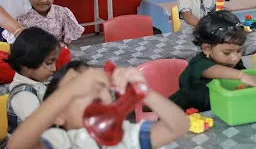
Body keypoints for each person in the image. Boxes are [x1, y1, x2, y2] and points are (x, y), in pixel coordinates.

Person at [7, 61, 190, 149]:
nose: (93, 90)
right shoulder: (61, 142)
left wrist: (144, 92)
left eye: (99, 85)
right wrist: (70, 91)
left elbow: (178, 125)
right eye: (79, 88)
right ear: (59, 115)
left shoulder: (125, 136)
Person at [169, 10, 256, 112]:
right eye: (227, 52)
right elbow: (213, 70)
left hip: (218, 109)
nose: (235, 58)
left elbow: (244, 82)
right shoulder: (198, 63)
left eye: (239, 50)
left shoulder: (234, 62)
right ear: (207, 48)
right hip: (185, 112)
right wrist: (242, 76)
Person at [5, 27, 61, 135]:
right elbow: (41, 129)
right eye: (49, 63)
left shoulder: (37, 81)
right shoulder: (24, 95)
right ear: (26, 65)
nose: (54, 68)